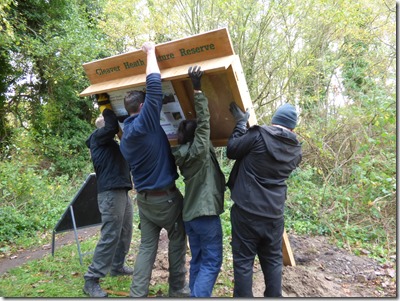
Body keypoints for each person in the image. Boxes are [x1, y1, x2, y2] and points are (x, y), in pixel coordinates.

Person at [120, 41, 189, 298]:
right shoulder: (144, 123)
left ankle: (137, 294)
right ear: (142, 108)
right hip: (166, 200)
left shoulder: (126, 136)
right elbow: (154, 85)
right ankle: (177, 289)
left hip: (145, 202)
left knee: (147, 248)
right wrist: (150, 52)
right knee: (177, 240)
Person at [226, 102, 302, 297]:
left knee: (243, 262)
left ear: (275, 120)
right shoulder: (296, 150)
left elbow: (232, 150)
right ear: (292, 127)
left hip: (247, 212)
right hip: (274, 214)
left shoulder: (258, 135)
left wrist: (240, 124)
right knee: (273, 261)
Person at [172, 66, 225, 297]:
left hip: (190, 216)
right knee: (212, 261)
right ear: (199, 137)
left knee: (199, 259)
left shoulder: (181, 152)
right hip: (204, 214)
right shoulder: (200, 150)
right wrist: (197, 89)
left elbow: (200, 127)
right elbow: (204, 121)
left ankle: (194, 293)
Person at [83, 103, 134, 298]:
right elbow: (112, 125)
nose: (115, 128)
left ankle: (117, 266)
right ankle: (91, 279)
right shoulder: (97, 139)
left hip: (122, 191)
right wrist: (105, 103)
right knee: (111, 234)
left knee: (125, 230)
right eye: (110, 125)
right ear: (102, 127)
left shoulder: (112, 144)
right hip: (110, 193)